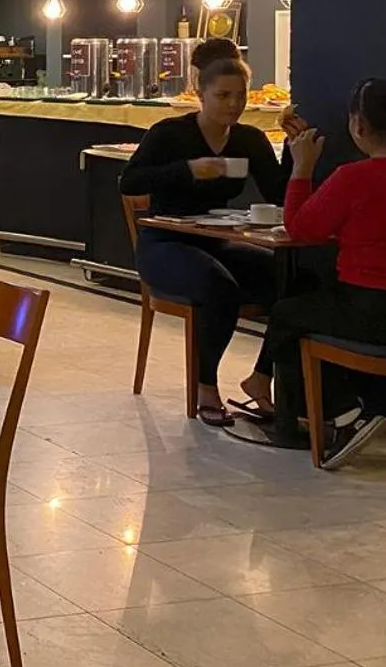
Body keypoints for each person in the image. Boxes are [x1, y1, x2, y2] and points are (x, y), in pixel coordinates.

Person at [241, 79, 386, 467]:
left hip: (382, 310)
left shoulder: (354, 177)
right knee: (367, 330)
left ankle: (349, 417)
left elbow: (301, 228)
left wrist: (302, 168)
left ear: (359, 126)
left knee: (292, 314)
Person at [121, 56, 287, 425]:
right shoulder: (170, 134)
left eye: (240, 96)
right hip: (163, 242)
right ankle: (205, 386)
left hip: (215, 239)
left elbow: (279, 192)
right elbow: (128, 183)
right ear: (201, 94)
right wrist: (187, 170)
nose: (233, 104)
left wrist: (294, 145)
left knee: (289, 277)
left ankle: (261, 377)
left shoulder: (250, 140)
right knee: (219, 287)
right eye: (223, 95)